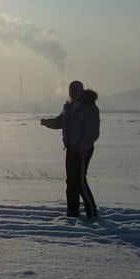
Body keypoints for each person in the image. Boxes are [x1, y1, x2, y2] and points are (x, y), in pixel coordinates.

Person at [40, 80, 100, 220]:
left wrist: (82, 147)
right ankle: (72, 213)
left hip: (82, 150)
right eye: (70, 90)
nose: (72, 93)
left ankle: (92, 213)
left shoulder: (90, 107)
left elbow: (92, 132)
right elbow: (60, 122)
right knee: (70, 182)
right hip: (71, 149)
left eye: (75, 90)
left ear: (82, 91)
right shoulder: (68, 107)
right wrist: (46, 122)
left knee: (79, 181)